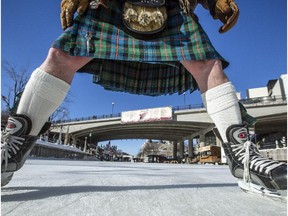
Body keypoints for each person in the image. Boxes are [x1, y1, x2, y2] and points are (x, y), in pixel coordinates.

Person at [1, 0, 286, 197]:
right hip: (111, 5)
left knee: (207, 65)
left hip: (171, 6)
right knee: (61, 55)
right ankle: (13, 149)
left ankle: (242, 158)